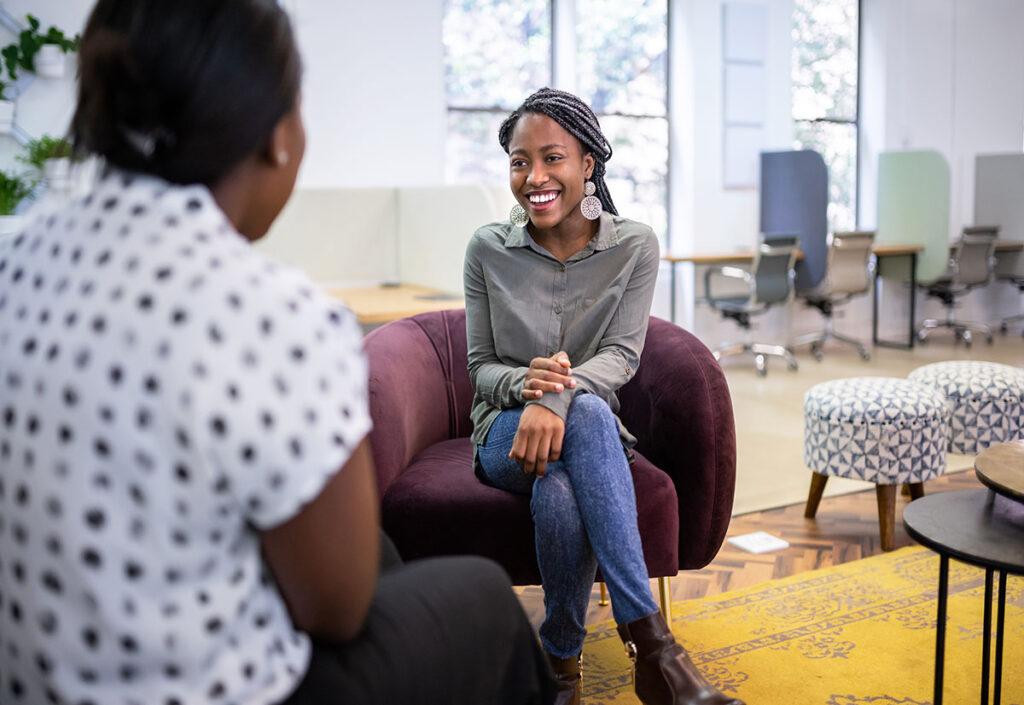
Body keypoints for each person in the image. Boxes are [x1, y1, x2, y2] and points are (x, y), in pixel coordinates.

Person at [0, 2, 556, 704]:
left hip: (27, 673)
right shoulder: (272, 313)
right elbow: (336, 606)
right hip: (200, 689)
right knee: (479, 599)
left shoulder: (13, 257)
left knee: (385, 553)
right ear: (276, 135)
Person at [464, 87, 745, 705]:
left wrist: (557, 399)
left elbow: (621, 357)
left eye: (552, 158)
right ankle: (656, 651)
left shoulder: (634, 246)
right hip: (504, 434)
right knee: (586, 410)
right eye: (519, 161)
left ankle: (560, 669)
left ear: (588, 163)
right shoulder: (488, 248)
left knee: (562, 488)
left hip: (585, 432)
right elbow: (480, 367)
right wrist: (527, 388)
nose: (533, 177)